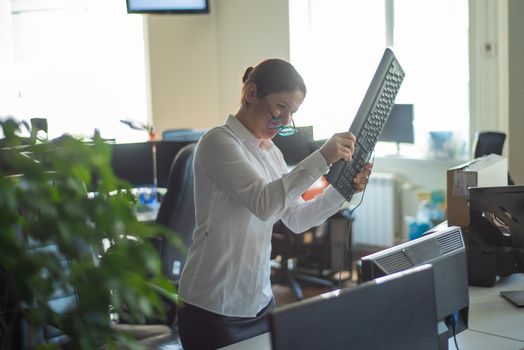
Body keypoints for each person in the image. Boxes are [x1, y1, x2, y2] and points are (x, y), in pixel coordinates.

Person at [177, 58, 372, 350]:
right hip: (212, 306)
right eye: (281, 106)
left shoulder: (270, 152)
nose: (284, 120)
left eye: (292, 112)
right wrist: (322, 158)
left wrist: (344, 192)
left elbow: (295, 218)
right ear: (251, 93)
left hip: (259, 300)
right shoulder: (218, 142)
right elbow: (264, 203)